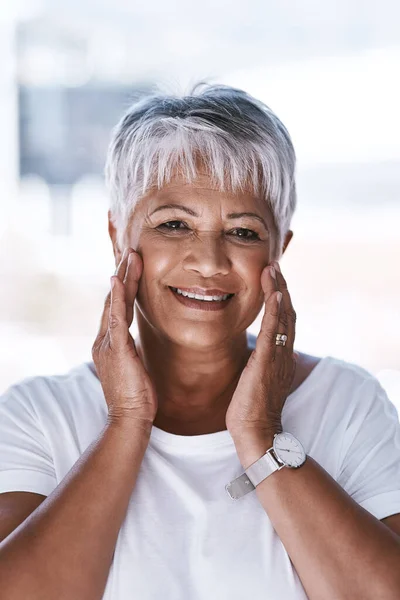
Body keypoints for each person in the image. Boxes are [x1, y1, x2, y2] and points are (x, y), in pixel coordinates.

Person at [0, 83, 399, 600]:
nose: (208, 262)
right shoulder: (39, 414)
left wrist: (262, 435)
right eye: (173, 224)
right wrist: (126, 421)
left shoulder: (348, 403)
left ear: (280, 250)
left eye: (244, 232)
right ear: (118, 237)